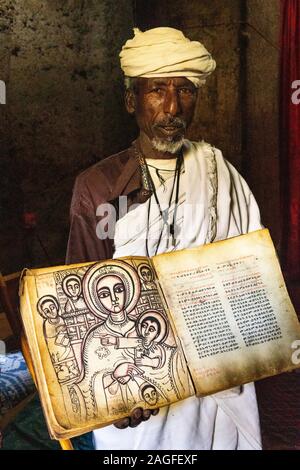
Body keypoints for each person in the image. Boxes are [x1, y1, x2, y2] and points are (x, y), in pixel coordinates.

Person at [66, 27, 262, 450]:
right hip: (137, 388)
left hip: (219, 375)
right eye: (157, 91)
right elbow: (80, 305)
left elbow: (254, 279)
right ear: (131, 99)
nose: (172, 108)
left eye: (185, 91)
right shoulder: (100, 187)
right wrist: (111, 392)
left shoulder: (219, 174)